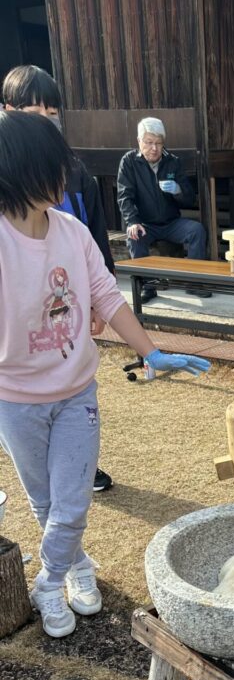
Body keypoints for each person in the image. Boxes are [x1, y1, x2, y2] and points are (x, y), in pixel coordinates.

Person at [0, 111, 210, 639]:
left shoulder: (71, 232)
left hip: (75, 392)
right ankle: (74, 566)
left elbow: (107, 298)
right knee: (45, 501)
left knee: (71, 500)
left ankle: (47, 583)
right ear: (22, 170)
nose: (66, 176)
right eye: (55, 165)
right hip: (14, 398)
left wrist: (150, 351)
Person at [2, 64, 115, 494]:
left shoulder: (73, 171)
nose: (46, 118)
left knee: (75, 389)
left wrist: (98, 300)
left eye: (53, 111)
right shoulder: (9, 171)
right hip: (21, 333)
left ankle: (82, 466)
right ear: (8, 111)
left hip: (68, 297)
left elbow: (93, 229)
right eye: (35, 109)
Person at [117, 118, 206, 304]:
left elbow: (190, 198)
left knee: (196, 230)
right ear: (139, 141)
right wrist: (132, 221)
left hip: (171, 222)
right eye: (149, 142)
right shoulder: (129, 162)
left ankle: (194, 283)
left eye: (158, 143)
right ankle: (147, 287)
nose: (154, 148)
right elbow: (125, 196)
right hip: (145, 223)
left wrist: (178, 190)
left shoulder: (172, 161)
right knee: (134, 236)